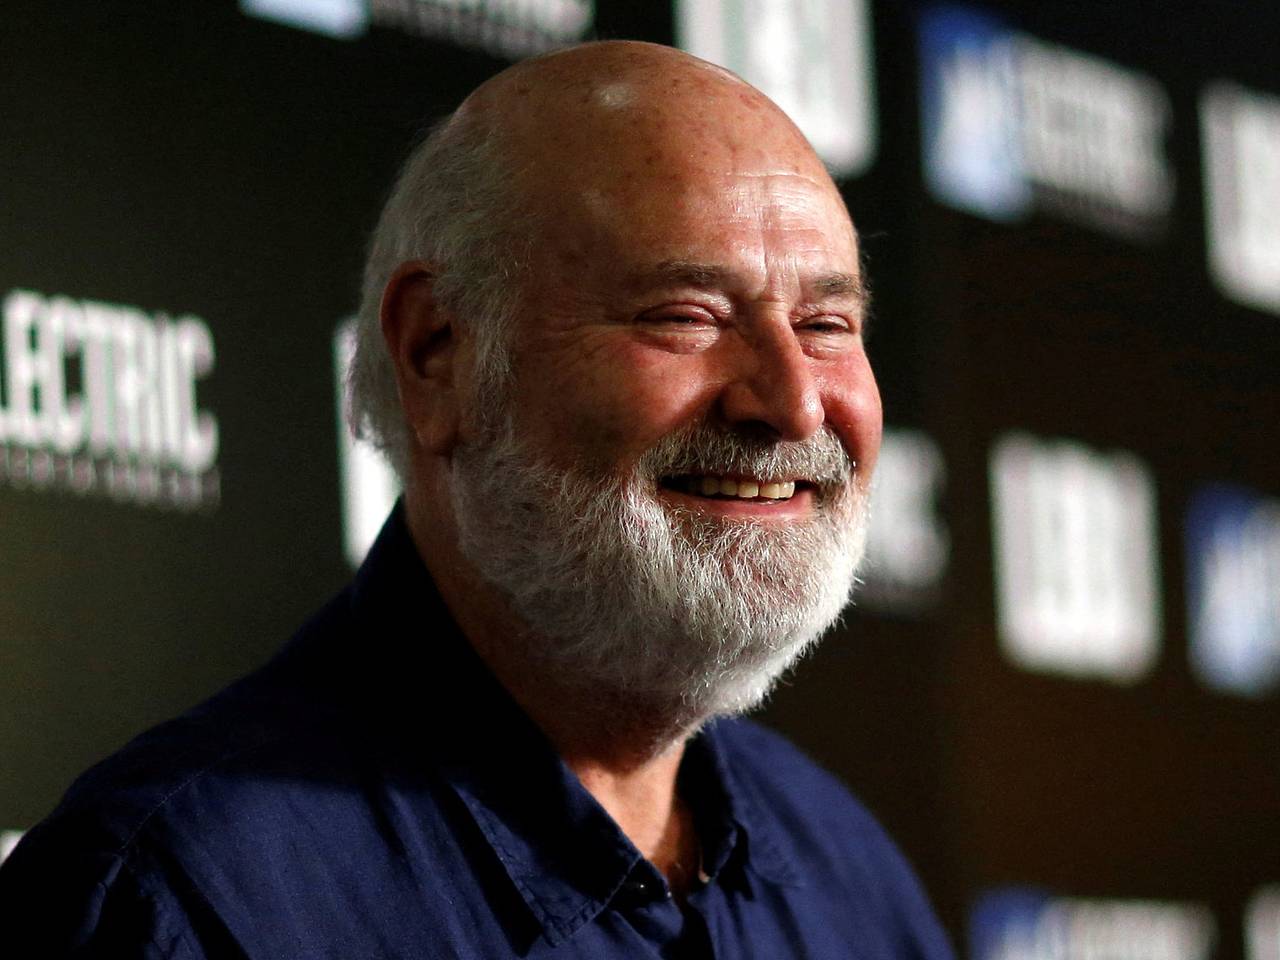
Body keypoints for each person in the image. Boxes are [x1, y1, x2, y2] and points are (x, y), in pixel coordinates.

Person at [0, 41, 954, 958]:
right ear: (437, 353)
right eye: (686, 315)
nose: (794, 402)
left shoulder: (847, 872)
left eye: (827, 324)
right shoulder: (176, 903)